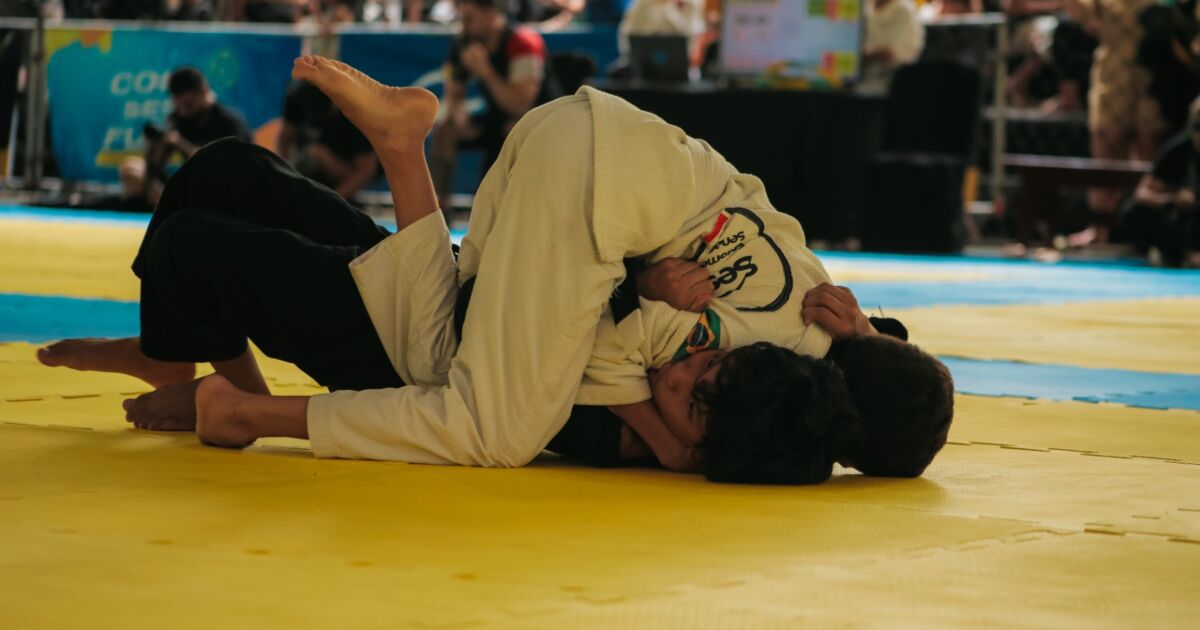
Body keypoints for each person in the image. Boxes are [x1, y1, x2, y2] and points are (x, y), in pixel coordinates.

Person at [39, 58, 953, 483]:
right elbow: (630, 347)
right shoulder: (766, 374)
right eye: (701, 380)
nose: (687, 378)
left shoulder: (816, 297)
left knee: (226, 172)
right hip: (569, 223)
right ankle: (237, 405)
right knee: (497, 425)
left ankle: (187, 354)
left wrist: (867, 332)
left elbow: (646, 317)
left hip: (581, 134)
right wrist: (668, 433)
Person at [431, 0, 557, 209]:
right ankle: (437, 207)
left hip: (538, 121)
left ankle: (503, 207)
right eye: (462, 18)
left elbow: (519, 106)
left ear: (491, 14)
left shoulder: (524, 42)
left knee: (514, 127)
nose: (463, 25)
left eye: (469, 18)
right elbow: (454, 93)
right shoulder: (463, 42)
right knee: (446, 129)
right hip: (499, 117)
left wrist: (486, 71)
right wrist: (457, 115)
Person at [1062, 0, 1165, 248]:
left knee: (1150, 146)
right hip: (1114, 67)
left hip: (1156, 63)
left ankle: (1150, 228)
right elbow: (1082, 15)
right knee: (1106, 144)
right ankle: (1100, 228)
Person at [123, 66, 251, 209]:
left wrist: (180, 143)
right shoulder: (180, 118)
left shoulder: (229, 121)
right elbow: (154, 170)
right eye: (179, 106)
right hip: (193, 190)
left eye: (189, 105)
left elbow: (223, 169)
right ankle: (172, 208)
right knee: (132, 169)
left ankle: (177, 208)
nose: (184, 112)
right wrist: (154, 147)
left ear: (204, 92)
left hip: (227, 192)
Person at [1118, 96, 1200, 268]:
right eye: (1197, 127)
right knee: (1133, 211)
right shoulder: (1178, 150)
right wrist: (1173, 198)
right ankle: (1179, 254)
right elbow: (1142, 194)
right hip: (1183, 218)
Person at [277, 81, 380, 201]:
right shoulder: (296, 97)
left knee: (317, 155)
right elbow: (284, 140)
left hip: (348, 168)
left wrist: (335, 199)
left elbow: (366, 169)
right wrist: (286, 177)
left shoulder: (354, 110)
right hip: (311, 163)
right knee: (309, 156)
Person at [860, 0, 925, 95]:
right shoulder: (864, 9)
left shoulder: (903, 11)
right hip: (865, 78)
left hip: (893, 82)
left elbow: (890, 54)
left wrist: (859, 55)